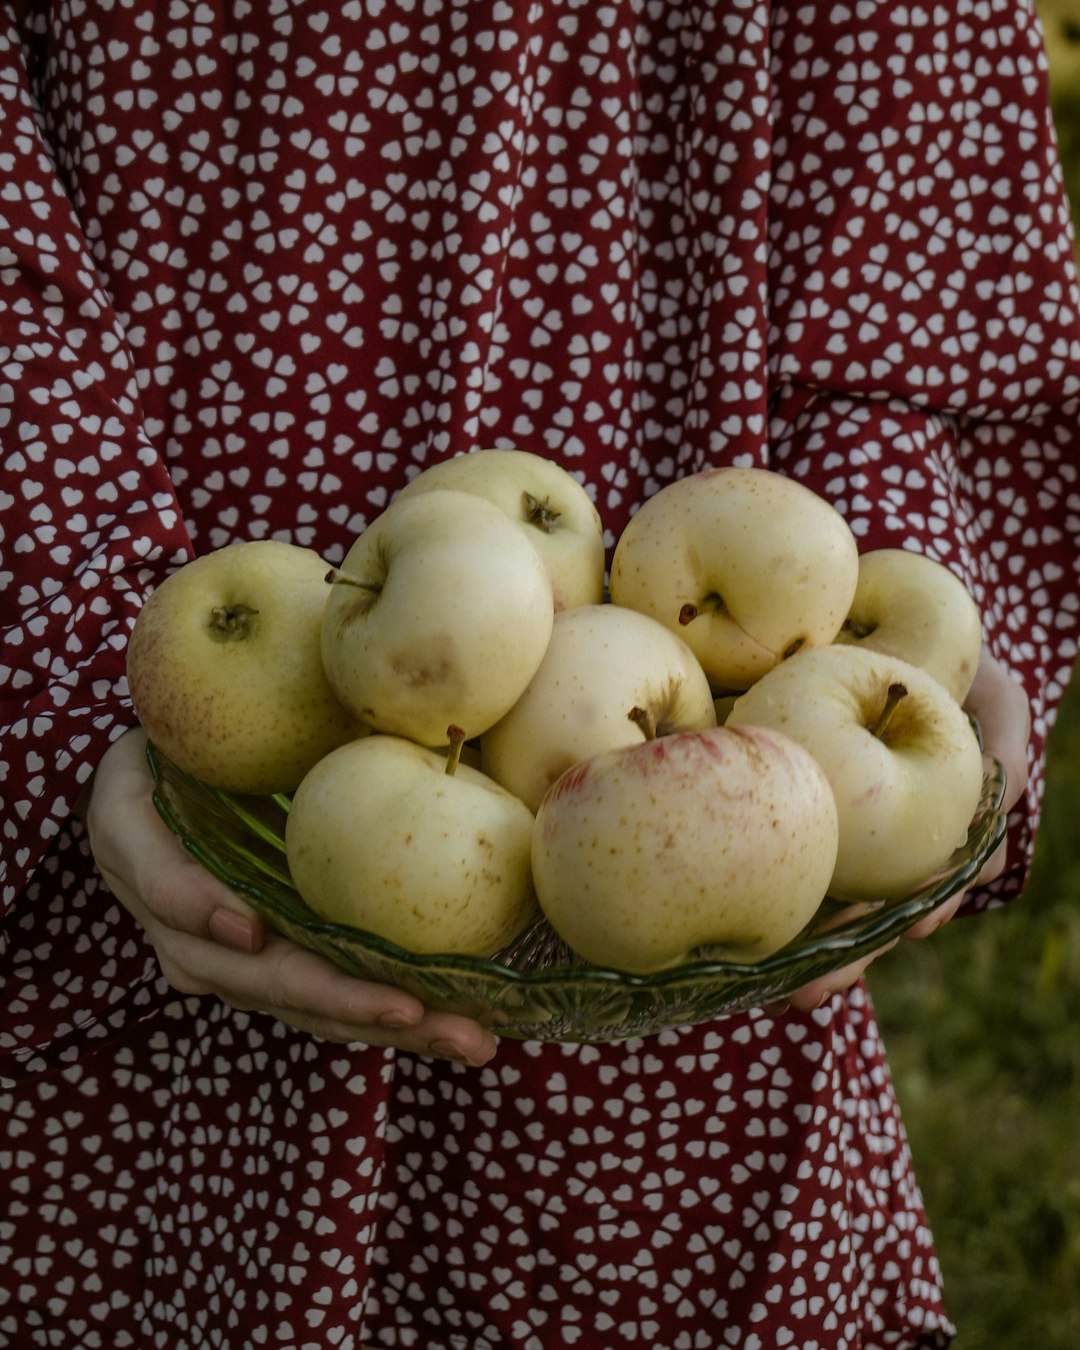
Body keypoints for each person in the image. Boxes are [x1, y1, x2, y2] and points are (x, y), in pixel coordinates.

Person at [1, 2, 1076, 1346]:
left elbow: (909, 179)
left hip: (708, 905)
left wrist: (884, 602)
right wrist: (82, 653)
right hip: (189, 730)